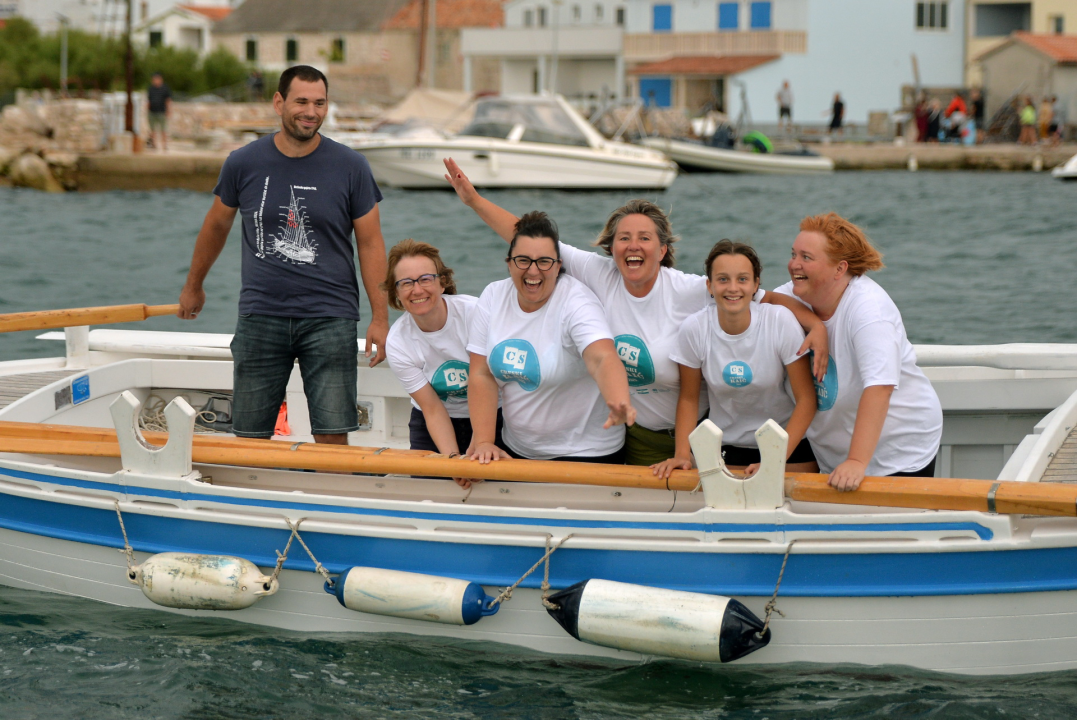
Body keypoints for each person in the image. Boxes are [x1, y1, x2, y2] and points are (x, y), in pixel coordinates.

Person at [444, 158, 828, 467]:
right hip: (633, 435)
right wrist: (474, 200)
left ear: (662, 250)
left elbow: (760, 296)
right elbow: (532, 242)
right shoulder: (600, 273)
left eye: (645, 238)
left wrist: (813, 324)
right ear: (611, 249)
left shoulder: (694, 290)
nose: (634, 245)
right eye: (624, 238)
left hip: (695, 433)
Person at [177, 65, 389, 445]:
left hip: (330, 318)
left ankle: (328, 505)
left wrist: (380, 316)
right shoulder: (243, 162)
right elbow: (216, 226)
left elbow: (371, 243)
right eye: (302, 101)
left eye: (320, 103)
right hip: (260, 316)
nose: (311, 111)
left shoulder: (352, 166)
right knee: (251, 437)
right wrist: (194, 286)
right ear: (279, 102)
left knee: (332, 437)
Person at [776, 212, 942, 491]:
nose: (794, 264)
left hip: (897, 451)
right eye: (793, 254)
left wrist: (855, 460)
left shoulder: (869, 310)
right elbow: (760, 297)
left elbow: (880, 388)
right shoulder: (798, 293)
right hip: (832, 452)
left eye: (806, 257)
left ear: (840, 269)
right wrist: (816, 325)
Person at [466, 212, 636, 463]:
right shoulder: (493, 296)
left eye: (544, 261)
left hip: (586, 452)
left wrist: (619, 399)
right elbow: (482, 374)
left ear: (558, 266)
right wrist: (483, 441)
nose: (533, 271)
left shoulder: (576, 301)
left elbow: (601, 358)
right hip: (517, 449)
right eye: (523, 260)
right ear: (509, 263)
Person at [652, 241, 817, 479]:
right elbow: (688, 398)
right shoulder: (695, 329)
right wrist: (682, 454)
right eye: (722, 279)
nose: (733, 288)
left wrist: (773, 460)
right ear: (709, 285)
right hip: (726, 446)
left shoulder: (780, 322)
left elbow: (806, 400)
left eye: (742, 279)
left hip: (787, 444)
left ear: (755, 285)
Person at [383, 239, 499, 488]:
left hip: (493, 414)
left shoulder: (475, 313)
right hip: (435, 420)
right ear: (396, 293)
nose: (417, 290)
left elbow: (498, 383)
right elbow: (432, 409)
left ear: (442, 282)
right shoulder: (398, 342)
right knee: (431, 491)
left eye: (425, 279)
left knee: (496, 488)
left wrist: (479, 443)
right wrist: (453, 460)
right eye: (406, 283)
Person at [146, 72, 172, 151]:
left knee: (163, 130)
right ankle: (154, 144)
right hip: (152, 111)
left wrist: (168, 110)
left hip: (161, 111)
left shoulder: (165, 88)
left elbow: (168, 100)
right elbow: (149, 100)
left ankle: (164, 145)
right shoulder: (151, 88)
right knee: (152, 130)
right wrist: (147, 110)